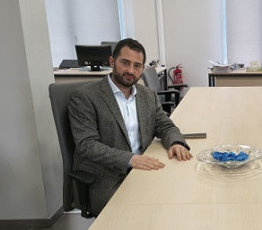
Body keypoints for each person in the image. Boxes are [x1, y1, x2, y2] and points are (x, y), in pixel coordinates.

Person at [69, 38, 192, 214]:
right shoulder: (85, 97)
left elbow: (165, 125)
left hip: (143, 170)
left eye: (137, 66)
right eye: (125, 63)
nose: (130, 71)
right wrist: (130, 159)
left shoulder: (147, 95)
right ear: (112, 61)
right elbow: (87, 145)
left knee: (180, 193)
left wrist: (176, 142)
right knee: (152, 209)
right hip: (108, 177)